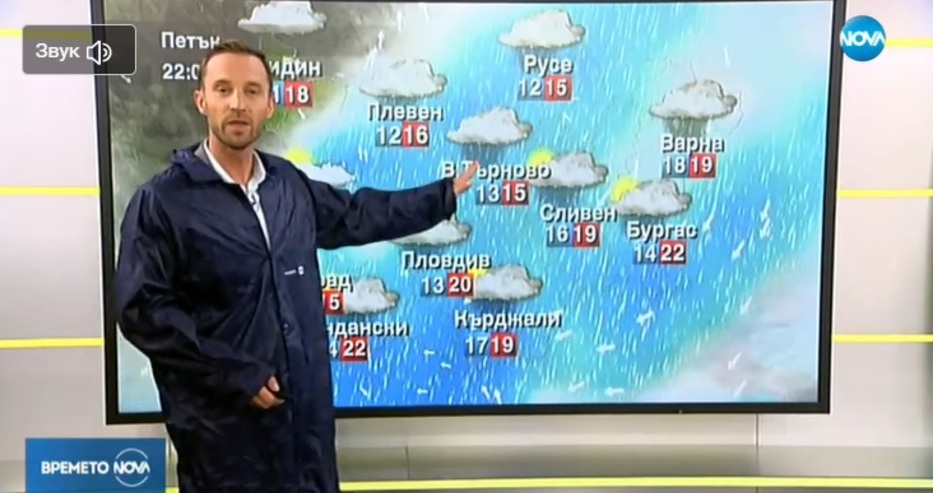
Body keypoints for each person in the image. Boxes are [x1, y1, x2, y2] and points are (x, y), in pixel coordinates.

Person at [114, 40, 477, 493]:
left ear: (269, 105)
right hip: (223, 445)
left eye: (251, 91)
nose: (237, 103)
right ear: (201, 100)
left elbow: (355, 215)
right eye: (223, 89)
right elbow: (143, 310)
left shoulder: (287, 184)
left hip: (304, 434)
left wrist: (439, 197)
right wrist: (232, 371)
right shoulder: (163, 202)